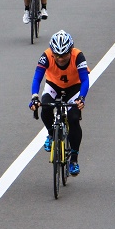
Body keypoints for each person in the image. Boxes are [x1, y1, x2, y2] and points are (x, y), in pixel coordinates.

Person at [29, 30, 89, 176]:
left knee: (74, 119)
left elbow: (85, 80)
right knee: (46, 109)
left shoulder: (78, 56)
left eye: (63, 55)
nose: (60, 59)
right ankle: (51, 134)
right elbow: (37, 78)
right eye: (57, 55)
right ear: (52, 52)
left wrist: (81, 98)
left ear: (70, 51)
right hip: (53, 85)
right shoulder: (46, 56)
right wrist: (34, 97)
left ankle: (73, 160)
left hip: (73, 88)